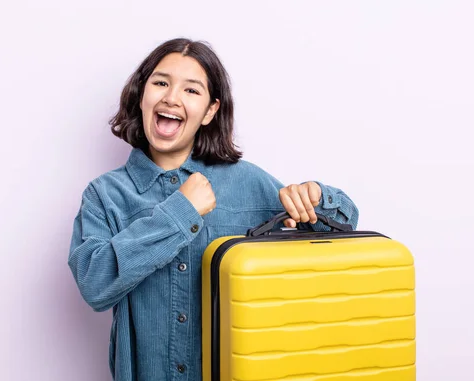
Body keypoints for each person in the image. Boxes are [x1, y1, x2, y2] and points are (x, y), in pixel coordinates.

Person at [68, 38, 359, 381]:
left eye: (191, 90)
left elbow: (344, 225)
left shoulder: (248, 182)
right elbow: (95, 284)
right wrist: (181, 213)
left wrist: (318, 197)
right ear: (141, 96)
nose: (171, 97)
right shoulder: (105, 195)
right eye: (160, 83)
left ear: (209, 111)